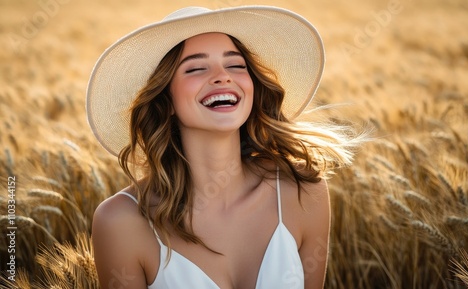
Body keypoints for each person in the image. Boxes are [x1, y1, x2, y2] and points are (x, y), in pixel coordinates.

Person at [87, 5, 364, 289]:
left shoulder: (302, 191)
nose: (223, 76)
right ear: (166, 100)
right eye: (195, 68)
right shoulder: (121, 222)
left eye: (236, 65)